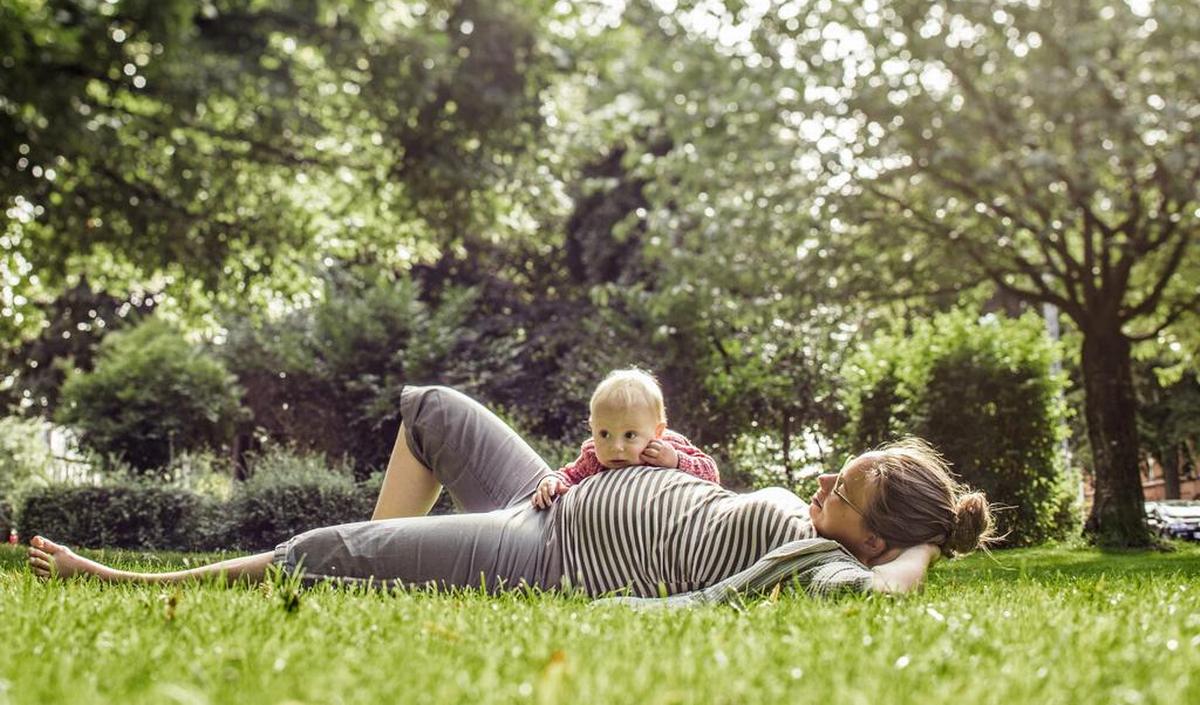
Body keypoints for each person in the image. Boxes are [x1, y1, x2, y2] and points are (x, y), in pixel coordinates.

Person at [27, 385, 995, 601]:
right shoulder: (826, 526)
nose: (827, 479)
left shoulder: (833, 563)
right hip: (550, 493)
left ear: (869, 539)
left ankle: (125, 582)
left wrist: (925, 548)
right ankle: (377, 569)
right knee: (434, 412)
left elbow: (882, 593)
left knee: (333, 554)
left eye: (846, 489)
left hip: (549, 552)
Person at [532, 368, 718, 510]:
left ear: (658, 432)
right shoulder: (592, 456)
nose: (616, 447)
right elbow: (570, 474)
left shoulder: (667, 447)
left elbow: (711, 475)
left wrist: (676, 461)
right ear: (592, 428)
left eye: (629, 435)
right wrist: (551, 481)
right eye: (604, 434)